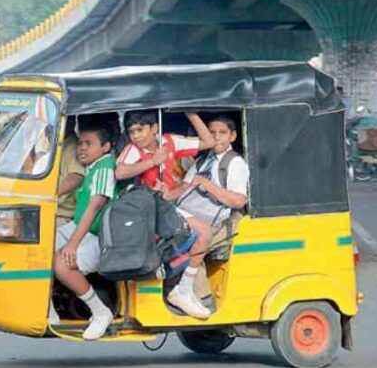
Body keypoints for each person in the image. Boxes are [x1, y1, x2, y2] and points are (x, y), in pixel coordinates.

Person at [115, 110, 215, 319]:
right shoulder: (133, 150)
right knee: (203, 233)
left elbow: (208, 142)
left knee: (203, 235)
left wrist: (190, 113)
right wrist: (152, 162)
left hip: (167, 205)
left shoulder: (170, 142)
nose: (136, 136)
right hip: (148, 211)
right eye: (132, 132)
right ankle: (181, 289)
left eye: (140, 130)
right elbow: (120, 172)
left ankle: (183, 289)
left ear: (155, 128)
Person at [160, 115, 250, 311]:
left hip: (215, 222)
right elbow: (184, 187)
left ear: (232, 136)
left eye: (222, 133)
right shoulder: (202, 161)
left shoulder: (235, 164)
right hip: (189, 215)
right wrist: (166, 195)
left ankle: (202, 299)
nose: (216, 138)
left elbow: (238, 200)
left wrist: (207, 185)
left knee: (189, 245)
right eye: (212, 133)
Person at [53, 126, 118, 340]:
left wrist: (71, 245)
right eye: (80, 143)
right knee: (39, 246)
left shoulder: (104, 168)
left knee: (63, 264)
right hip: (80, 229)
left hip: (101, 238)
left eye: (88, 144)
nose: (82, 149)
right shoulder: (93, 167)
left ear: (106, 147)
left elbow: (94, 207)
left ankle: (100, 312)